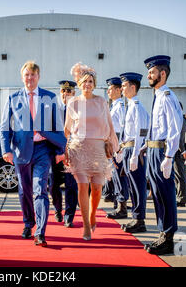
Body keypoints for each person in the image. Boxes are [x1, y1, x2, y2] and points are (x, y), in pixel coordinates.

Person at [0, 61, 66, 247]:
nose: (30, 78)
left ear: (38, 77)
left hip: (43, 150)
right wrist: (6, 150)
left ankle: (40, 232)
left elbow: (58, 127)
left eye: (33, 75)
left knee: (40, 189)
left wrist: (61, 150)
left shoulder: (50, 97)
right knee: (24, 191)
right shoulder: (13, 98)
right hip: (21, 151)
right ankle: (28, 223)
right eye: (27, 75)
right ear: (23, 77)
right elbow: (5, 127)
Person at [64, 63, 118, 241]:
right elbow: (67, 129)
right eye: (85, 81)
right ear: (79, 84)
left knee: (96, 188)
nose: (87, 84)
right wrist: (64, 149)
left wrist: (112, 145)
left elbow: (109, 125)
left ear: (94, 84)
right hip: (78, 148)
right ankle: (86, 225)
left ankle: (93, 213)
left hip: (98, 149)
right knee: (82, 186)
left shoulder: (101, 101)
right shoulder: (73, 102)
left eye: (90, 81)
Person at [144, 55, 182, 255]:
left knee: (166, 194)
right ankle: (162, 233)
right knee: (157, 195)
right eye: (148, 72)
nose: (148, 75)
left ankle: (168, 237)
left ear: (163, 73)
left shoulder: (168, 96)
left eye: (152, 72)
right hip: (152, 149)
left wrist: (168, 157)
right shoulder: (158, 96)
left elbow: (175, 129)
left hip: (161, 152)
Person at [116, 73, 149, 232]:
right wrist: (122, 149)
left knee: (138, 186)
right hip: (128, 148)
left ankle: (139, 220)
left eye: (124, 85)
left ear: (133, 87)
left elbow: (140, 134)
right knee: (131, 185)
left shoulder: (137, 107)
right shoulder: (130, 106)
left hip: (134, 149)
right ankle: (135, 217)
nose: (121, 88)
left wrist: (136, 155)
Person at [49, 80, 78, 228]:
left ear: (74, 94)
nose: (65, 94)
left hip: (72, 154)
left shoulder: (79, 111)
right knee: (53, 184)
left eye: (68, 91)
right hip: (56, 153)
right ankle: (57, 209)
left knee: (71, 186)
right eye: (63, 91)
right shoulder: (54, 110)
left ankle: (69, 215)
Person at [105, 77, 130, 220]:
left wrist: (119, 148)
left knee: (120, 177)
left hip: (117, 147)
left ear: (118, 90)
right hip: (112, 146)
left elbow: (123, 128)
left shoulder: (120, 106)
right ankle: (118, 203)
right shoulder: (114, 105)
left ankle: (122, 207)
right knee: (115, 176)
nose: (108, 91)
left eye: (111, 88)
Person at [174, 102, 186, 207]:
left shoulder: (180, 120)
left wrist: (183, 150)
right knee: (177, 176)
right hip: (179, 150)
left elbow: (180, 138)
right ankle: (179, 197)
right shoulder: (181, 119)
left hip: (179, 151)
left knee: (180, 176)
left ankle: (181, 199)